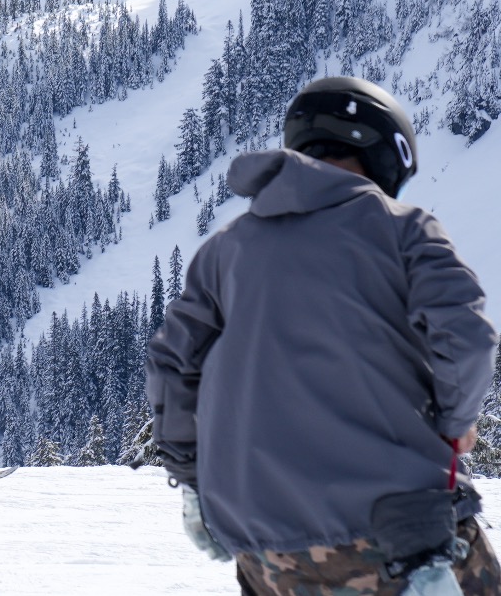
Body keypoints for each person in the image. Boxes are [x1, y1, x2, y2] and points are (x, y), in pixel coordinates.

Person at [147, 76, 499, 596]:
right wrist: (454, 423)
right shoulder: (404, 228)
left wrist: (195, 482)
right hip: (398, 534)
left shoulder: (224, 251)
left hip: (262, 549)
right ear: (386, 152)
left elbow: (172, 368)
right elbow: (465, 335)